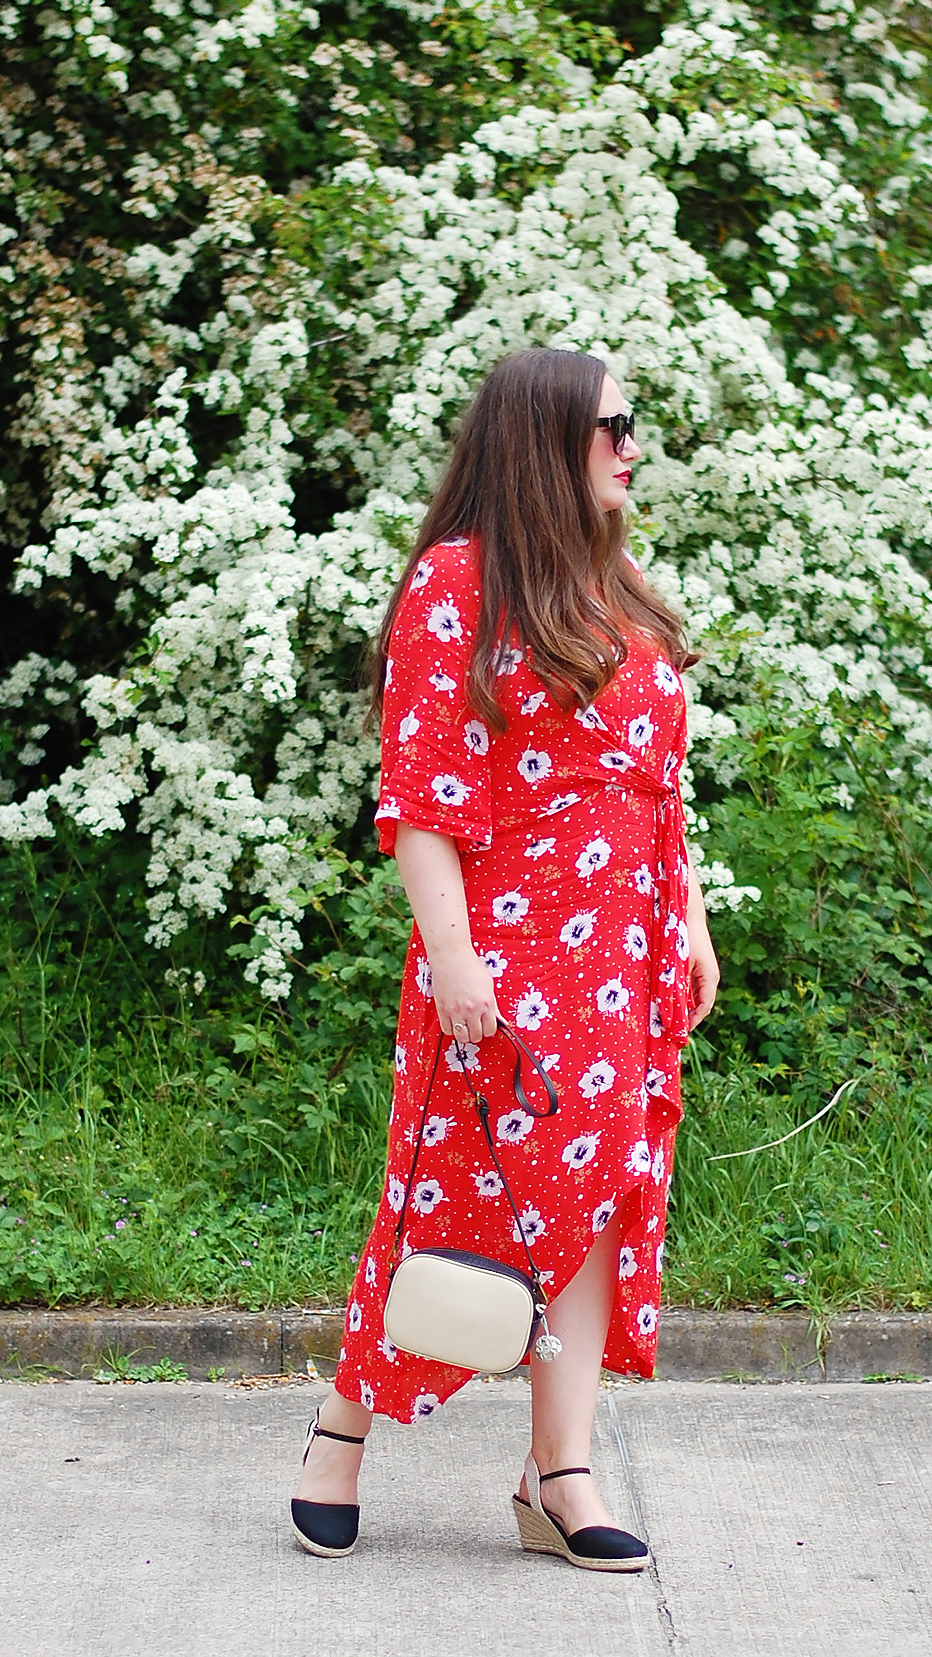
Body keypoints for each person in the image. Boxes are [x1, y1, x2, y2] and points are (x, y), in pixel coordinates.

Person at [289, 346, 720, 1569]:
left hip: (622, 966)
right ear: (541, 440)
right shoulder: (454, 585)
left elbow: (658, 787)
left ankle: (560, 1473)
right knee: (443, 1196)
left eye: (632, 423)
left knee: (592, 1206)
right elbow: (423, 798)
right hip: (506, 951)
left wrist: (688, 921)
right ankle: (339, 1435)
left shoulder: (615, 583)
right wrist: (455, 962)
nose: (632, 444)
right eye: (610, 426)